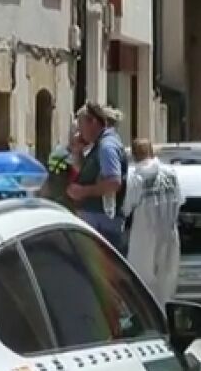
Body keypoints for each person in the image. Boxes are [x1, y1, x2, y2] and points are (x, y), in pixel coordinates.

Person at [122, 139, 184, 303]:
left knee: (142, 281)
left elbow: (126, 207)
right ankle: (164, 312)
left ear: (134, 155)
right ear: (151, 151)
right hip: (170, 233)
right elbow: (179, 200)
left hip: (145, 235)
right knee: (167, 280)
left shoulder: (136, 177)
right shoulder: (171, 173)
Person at [68, 102, 129, 254]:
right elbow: (87, 171)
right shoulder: (99, 144)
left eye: (81, 126)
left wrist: (83, 192)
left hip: (102, 222)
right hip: (98, 221)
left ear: (93, 122)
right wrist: (77, 151)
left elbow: (114, 182)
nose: (79, 132)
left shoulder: (107, 146)